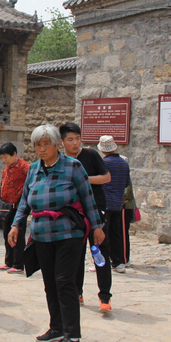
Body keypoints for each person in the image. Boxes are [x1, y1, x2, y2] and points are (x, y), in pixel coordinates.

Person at [8, 125, 104, 342]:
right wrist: (16, 224)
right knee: (50, 283)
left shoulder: (73, 167)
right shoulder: (34, 169)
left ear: (57, 144)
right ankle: (57, 327)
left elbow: (87, 197)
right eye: (38, 145)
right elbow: (25, 200)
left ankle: (72, 335)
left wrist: (97, 227)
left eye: (46, 144)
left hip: (68, 233)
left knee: (64, 282)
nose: (42, 149)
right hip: (42, 234)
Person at [59, 122, 113, 313]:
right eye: (70, 139)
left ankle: (104, 296)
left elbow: (106, 177)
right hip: (75, 214)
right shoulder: (61, 161)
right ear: (62, 142)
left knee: (99, 252)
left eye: (77, 138)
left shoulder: (90, 155)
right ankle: (77, 292)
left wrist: (84, 180)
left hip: (96, 211)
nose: (75, 143)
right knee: (76, 254)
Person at [98, 135, 132, 272]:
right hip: (118, 203)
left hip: (105, 203)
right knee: (116, 233)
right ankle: (118, 262)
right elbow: (126, 183)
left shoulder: (104, 163)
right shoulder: (124, 163)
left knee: (102, 233)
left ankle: (102, 262)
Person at [0, 142, 30, 273]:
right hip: (6, 206)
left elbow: (30, 183)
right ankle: (9, 261)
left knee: (18, 235)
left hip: (18, 206)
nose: (4, 160)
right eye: (2, 158)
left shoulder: (24, 167)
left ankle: (18, 263)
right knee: (7, 234)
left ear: (14, 154)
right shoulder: (7, 167)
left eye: (6, 157)